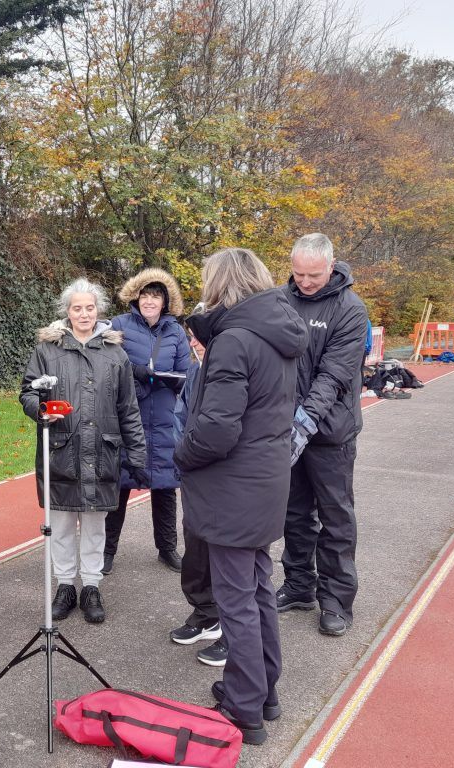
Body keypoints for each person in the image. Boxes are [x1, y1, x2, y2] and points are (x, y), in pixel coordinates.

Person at [174, 248, 306, 745]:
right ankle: (264, 691)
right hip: (265, 479)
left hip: (234, 486)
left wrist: (180, 456)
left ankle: (244, 705)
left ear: (222, 284)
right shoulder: (279, 334)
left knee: (237, 601)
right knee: (257, 591)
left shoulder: (235, 341)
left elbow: (216, 431)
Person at [20, 278, 147, 624]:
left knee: (94, 524)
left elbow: (128, 408)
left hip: (102, 451)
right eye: (77, 308)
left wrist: (138, 455)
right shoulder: (48, 349)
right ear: (67, 311)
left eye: (89, 307)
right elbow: (28, 392)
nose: (84, 314)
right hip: (61, 448)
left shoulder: (115, 353)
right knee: (60, 523)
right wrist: (40, 409)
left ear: (98, 310)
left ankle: (91, 585)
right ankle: (65, 585)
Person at [278, 233, 369, 636]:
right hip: (286, 427)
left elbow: (333, 376)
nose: (305, 282)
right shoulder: (282, 298)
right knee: (293, 514)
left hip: (330, 432)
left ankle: (335, 599)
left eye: (313, 275)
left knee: (335, 517)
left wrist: (304, 422)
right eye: (298, 274)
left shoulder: (350, 309)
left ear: (331, 267)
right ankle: (299, 585)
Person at [104, 269, 189, 575]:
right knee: (119, 486)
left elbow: (185, 375)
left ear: (166, 301)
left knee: (165, 486)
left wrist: (164, 379)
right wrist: (137, 374)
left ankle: (167, 548)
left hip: (165, 417)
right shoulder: (119, 325)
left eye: (156, 295)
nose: (150, 301)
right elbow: (108, 367)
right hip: (129, 416)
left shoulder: (176, 331)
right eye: (145, 294)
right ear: (136, 296)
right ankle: (106, 550)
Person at [169, 309, 226, 667]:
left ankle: (232, 630)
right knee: (196, 548)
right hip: (195, 476)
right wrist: (184, 456)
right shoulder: (194, 371)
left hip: (226, 480)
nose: (192, 343)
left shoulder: (231, 372)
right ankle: (205, 614)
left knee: (229, 557)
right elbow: (180, 419)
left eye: (198, 337)